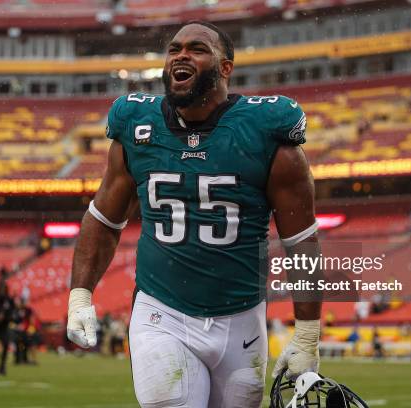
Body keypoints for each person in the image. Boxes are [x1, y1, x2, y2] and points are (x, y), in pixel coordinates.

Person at [67, 20, 321, 407]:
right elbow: (104, 219)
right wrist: (80, 295)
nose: (181, 55)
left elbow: (301, 241)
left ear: (225, 68)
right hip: (162, 313)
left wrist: (308, 333)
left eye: (197, 48)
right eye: (174, 49)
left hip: (243, 320)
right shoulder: (138, 125)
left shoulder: (266, 131)